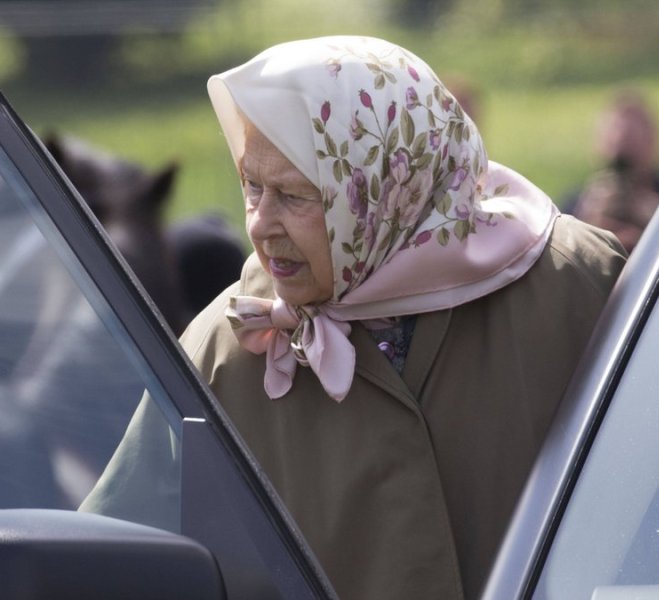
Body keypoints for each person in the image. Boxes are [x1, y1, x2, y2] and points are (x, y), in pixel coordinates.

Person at [82, 36, 626, 600]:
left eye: (294, 195)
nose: (261, 224)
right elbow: (107, 557)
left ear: (389, 185)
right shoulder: (228, 345)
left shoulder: (573, 283)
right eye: (251, 186)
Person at [563, 89, 659, 253]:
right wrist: (585, 223)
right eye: (615, 140)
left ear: (653, 143)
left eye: (634, 139)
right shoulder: (580, 202)